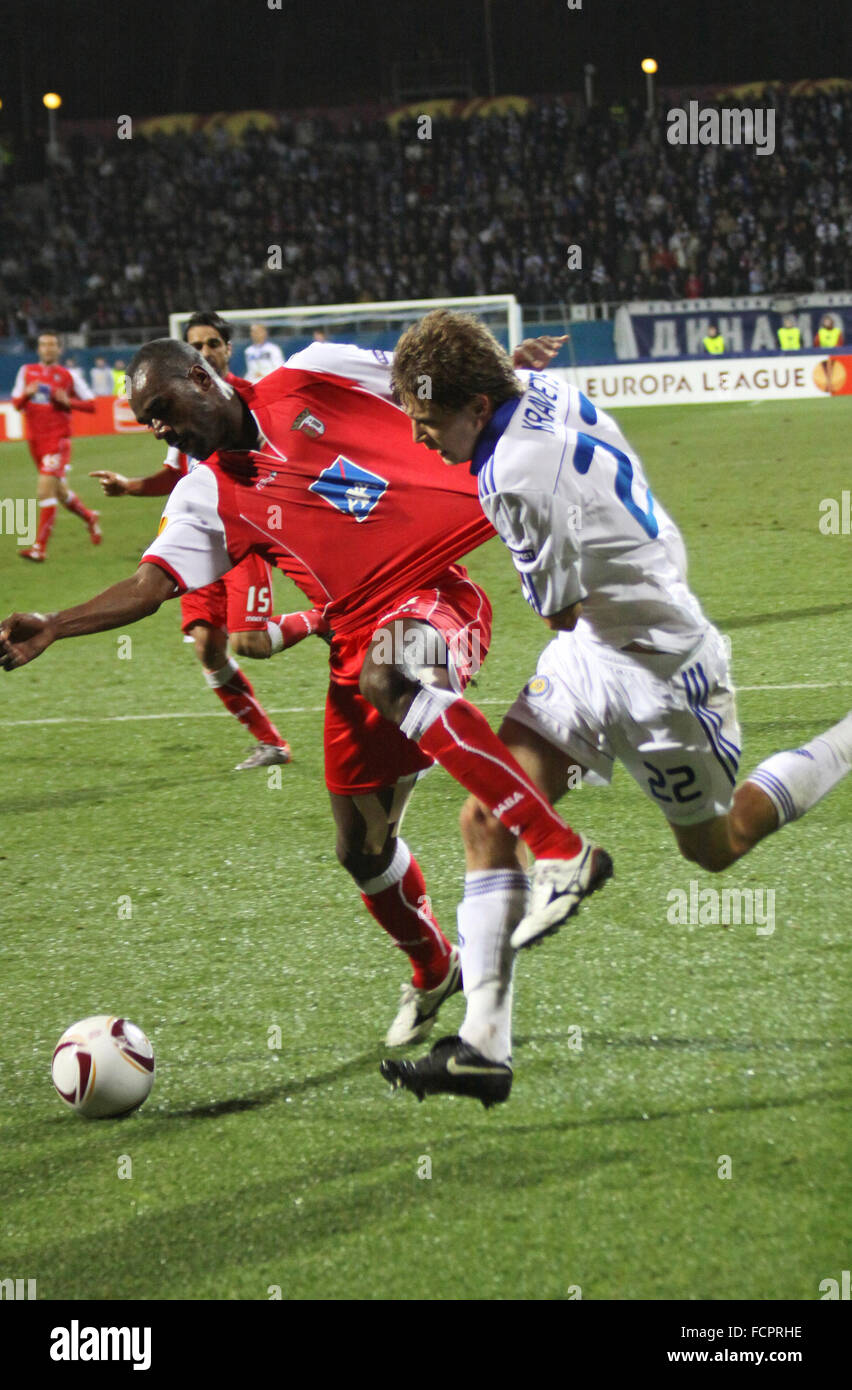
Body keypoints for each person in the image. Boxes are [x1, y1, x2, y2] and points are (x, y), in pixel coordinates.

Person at [0, 336, 610, 1048]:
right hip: (351, 642)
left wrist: (509, 363)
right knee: (361, 851)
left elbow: (422, 376)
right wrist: (54, 623)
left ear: (205, 378)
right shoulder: (205, 493)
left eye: (164, 409)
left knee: (397, 672)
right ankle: (434, 968)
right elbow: (150, 585)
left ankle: (557, 846)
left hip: (434, 597)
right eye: (148, 422)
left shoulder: (314, 373)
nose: (161, 429)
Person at [370, 308, 852, 1105]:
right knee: (488, 817)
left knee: (716, 848)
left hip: (663, 672)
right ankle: (484, 1050)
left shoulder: (510, 477)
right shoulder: (539, 388)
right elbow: (570, 615)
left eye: (428, 422)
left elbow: (554, 609)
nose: (421, 438)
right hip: (600, 647)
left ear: (476, 409)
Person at [90, 311, 310, 770]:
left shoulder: (253, 402)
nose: (207, 352)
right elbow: (175, 473)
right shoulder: (177, 406)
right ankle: (272, 744)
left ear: (228, 349)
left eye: (213, 344)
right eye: (197, 345)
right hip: (194, 536)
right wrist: (129, 485)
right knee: (207, 647)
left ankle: (325, 618)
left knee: (250, 642)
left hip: (243, 532)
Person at [11, 331, 101, 562]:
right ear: (39, 349)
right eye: (44, 345)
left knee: (44, 490)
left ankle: (39, 548)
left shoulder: (68, 376)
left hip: (58, 440)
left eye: (52, 345)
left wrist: (67, 401)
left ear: (59, 350)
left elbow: (92, 405)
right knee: (60, 492)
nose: (48, 349)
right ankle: (90, 517)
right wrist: (26, 395)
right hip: (36, 441)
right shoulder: (26, 372)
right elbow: (17, 404)